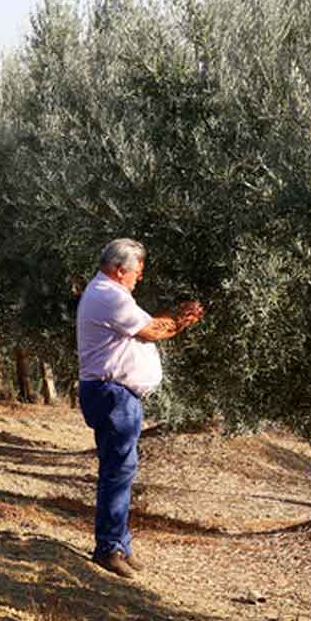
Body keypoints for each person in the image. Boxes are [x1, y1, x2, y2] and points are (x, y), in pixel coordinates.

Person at [76, 238, 204, 578]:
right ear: (120, 270)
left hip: (114, 394)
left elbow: (148, 323)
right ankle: (109, 548)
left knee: (120, 469)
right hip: (112, 394)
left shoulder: (111, 295)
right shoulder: (109, 295)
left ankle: (120, 543)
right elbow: (150, 330)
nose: (140, 278)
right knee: (118, 471)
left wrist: (175, 318)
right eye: (138, 271)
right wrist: (182, 320)